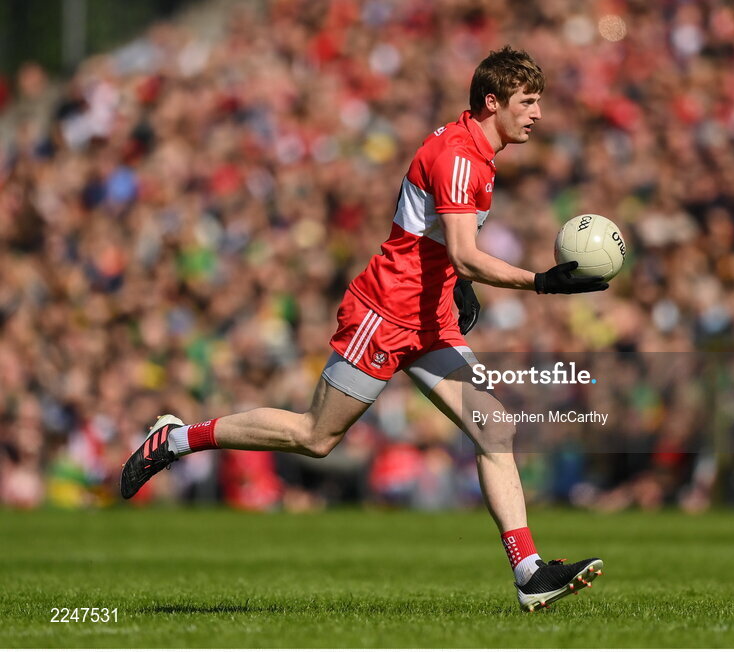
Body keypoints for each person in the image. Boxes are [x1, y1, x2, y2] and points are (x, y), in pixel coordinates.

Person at [120, 46, 606, 612]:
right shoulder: (459, 157)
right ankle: (178, 438)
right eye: (528, 101)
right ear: (492, 102)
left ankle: (528, 571)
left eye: (539, 101)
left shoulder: (478, 149)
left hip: (430, 319)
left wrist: (454, 283)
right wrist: (542, 283)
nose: (538, 113)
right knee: (315, 437)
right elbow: (468, 255)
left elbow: (430, 236)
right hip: (384, 313)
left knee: (494, 427)